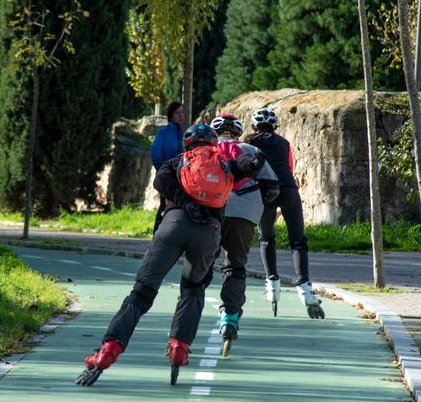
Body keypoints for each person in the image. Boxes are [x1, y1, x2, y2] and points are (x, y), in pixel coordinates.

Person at [76, 123, 265, 387]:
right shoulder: (224, 162)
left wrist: (186, 204)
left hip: (172, 226)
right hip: (208, 233)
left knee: (141, 293)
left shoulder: (178, 162)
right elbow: (244, 166)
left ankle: (107, 352)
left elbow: (160, 181)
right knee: (193, 290)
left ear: (187, 144)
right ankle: (179, 348)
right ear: (212, 143)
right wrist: (254, 162)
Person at [210, 113, 278, 354]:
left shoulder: (206, 149)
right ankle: (230, 318)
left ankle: (184, 324)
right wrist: (256, 206)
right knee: (235, 265)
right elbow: (272, 185)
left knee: (201, 264)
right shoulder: (249, 149)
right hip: (245, 212)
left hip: (211, 211)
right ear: (237, 133)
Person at [247, 107, 324, 319]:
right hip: (288, 189)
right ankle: (305, 287)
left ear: (254, 127)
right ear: (275, 127)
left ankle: (272, 282)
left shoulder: (249, 142)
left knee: (266, 238)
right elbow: (289, 167)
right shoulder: (284, 143)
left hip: (265, 192)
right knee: (298, 241)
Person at [149, 101, 184, 234]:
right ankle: (157, 235)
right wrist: (164, 173)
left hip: (184, 177)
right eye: (177, 113)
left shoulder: (187, 132)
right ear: (171, 115)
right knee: (165, 206)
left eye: (182, 113)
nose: (180, 116)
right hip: (168, 177)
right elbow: (156, 155)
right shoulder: (163, 132)